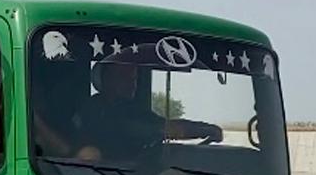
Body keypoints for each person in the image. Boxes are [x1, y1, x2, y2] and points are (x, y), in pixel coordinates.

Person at [76, 61, 222, 162]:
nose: (132, 83)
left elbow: (160, 125)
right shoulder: (95, 108)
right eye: (124, 77)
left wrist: (206, 128)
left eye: (134, 78)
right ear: (106, 79)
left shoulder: (131, 109)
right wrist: (206, 130)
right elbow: (164, 129)